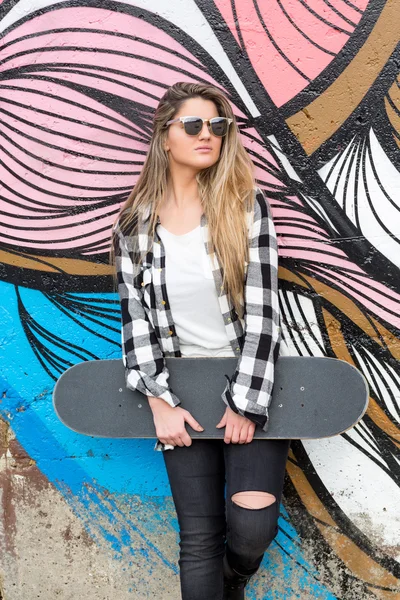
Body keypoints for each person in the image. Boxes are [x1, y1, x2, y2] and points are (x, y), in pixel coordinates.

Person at [112, 82, 290, 600]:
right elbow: (135, 321)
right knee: (198, 539)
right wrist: (159, 401)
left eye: (217, 125)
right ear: (165, 137)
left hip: (247, 383)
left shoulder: (244, 208)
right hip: (178, 393)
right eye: (193, 125)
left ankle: (232, 580)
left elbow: (263, 313)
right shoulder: (133, 225)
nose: (206, 134)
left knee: (252, 529)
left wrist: (246, 402)